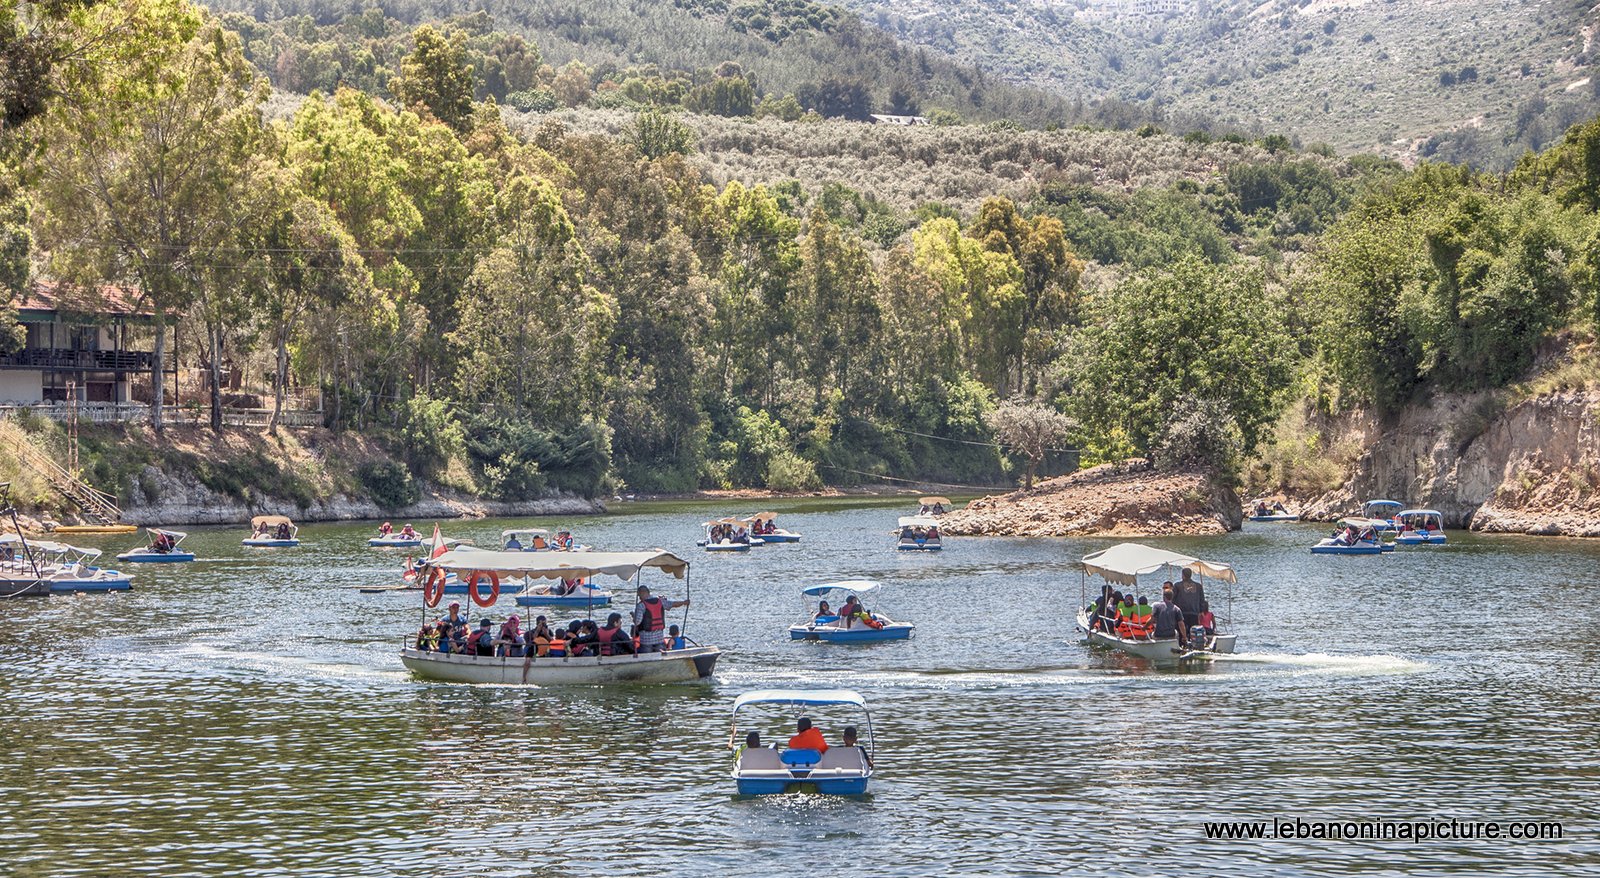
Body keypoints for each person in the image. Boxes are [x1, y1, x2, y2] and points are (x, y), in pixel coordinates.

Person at [632, 585, 687, 653]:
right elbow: (673, 604)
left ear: (641, 593)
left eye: (639, 595)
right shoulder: (660, 601)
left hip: (646, 642)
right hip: (659, 640)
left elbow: (637, 622)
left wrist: (634, 616)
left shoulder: (641, 605)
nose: (639, 598)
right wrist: (684, 602)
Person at [1172, 569, 1206, 637]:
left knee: (1181, 630)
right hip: (1194, 612)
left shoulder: (1177, 585)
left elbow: (1172, 599)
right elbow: (1202, 600)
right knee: (1194, 631)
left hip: (1181, 613)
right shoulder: (1198, 586)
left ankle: (1182, 643)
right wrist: (1201, 611)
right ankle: (1193, 644)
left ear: (1183, 575)